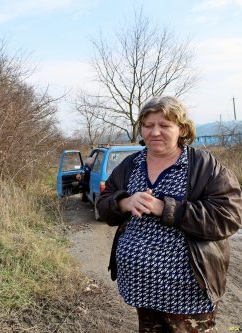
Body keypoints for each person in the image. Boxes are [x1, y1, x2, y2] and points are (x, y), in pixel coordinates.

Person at [96, 96, 242, 332]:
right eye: (148, 125)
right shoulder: (130, 164)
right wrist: (123, 202)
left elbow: (229, 216)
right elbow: (104, 204)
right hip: (140, 288)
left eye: (164, 125)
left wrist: (165, 208)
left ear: (181, 128)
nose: (155, 132)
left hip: (188, 293)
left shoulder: (204, 165)